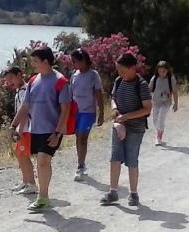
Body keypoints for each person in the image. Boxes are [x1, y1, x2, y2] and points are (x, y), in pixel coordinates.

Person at [11, 46, 72, 213]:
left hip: (52, 129)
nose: (33, 64)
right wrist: (13, 125)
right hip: (36, 129)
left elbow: (65, 109)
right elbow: (26, 106)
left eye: (35, 61)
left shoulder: (60, 81)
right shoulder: (33, 81)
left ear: (46, 61)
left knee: (43, 160)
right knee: (42, 161)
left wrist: (58, 132)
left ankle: (43, 198)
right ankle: (44, 197)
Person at [101, 53, 152, 206]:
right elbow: (113, 98)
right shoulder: (118, 81)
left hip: (135, 128)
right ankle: (113, 192)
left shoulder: (141, 85)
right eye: (119, 71)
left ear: (132, 68)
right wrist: (115, 109)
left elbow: (147, 109)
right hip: (119, 126)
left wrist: (127, 116)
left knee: (131, 159)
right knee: (115, 157)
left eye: (123, 71)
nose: (120, 74)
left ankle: (133, 193)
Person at [69, 49, 104, 179]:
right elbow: (70, 94)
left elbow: (99, 94)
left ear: (84, 60)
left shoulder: (93, 75)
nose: (74, 64)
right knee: (78, 138)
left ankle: (80, 166)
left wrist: (101, 113)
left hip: (88, 112)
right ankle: (81, 162)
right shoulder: (74, 75)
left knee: (83, 137)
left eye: (76, 61)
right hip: (76, 112)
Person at [2, 65, 37, 195]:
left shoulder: (25, 90)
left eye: (11, 78)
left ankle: (32, 184)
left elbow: (24, 112)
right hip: (22, 129)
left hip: (26, 129)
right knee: (20, 155)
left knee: (24, 156)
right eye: (7, 80)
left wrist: (20, 131)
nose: (10, 82)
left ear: (19, 75)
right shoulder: (19, 91)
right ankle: (25, 181)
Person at [148, 60, 178, 146]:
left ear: (167, 70)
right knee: (155, 120)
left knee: (161, 118)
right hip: (156, 102)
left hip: (166, 103)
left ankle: (158, 137)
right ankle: (159, 131)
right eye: (159, 71)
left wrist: (176, 103)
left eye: (164, 71)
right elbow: (149, 89)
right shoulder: (154, 78)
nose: (161, 73)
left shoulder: (171, 79)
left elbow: (175, 92)